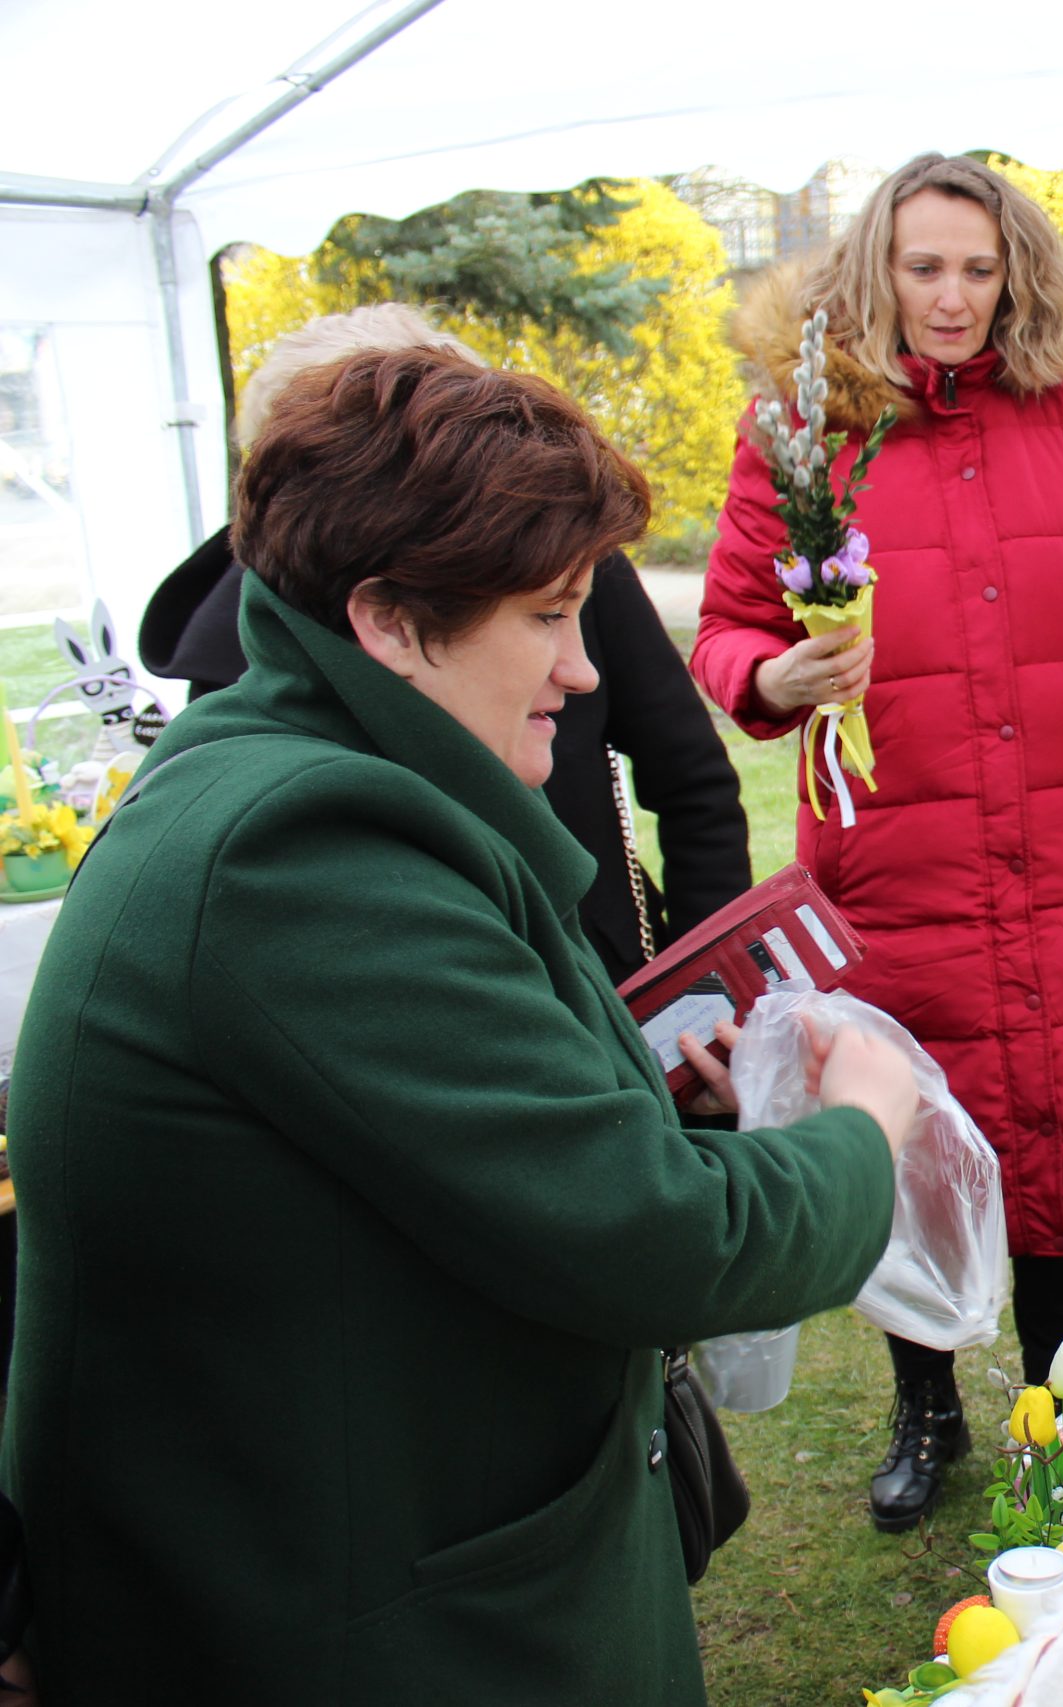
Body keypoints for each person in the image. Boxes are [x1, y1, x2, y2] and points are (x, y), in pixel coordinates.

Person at [0, 347, 920, 1703]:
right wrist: (867, 1125)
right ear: (387, 618)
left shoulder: (305, 778)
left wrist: (654, 1096)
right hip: (343, 1619)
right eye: (546, 614)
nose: (583, 666)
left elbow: (377, 1150)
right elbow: (665, 1238)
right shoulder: (305, 852)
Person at [691, 153, 1063, 1530]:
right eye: (924, 267)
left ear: (1013, 272)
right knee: (914, 1133)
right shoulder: (806, 431)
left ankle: (1060, 1399)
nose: (952, 297)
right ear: (875, 273)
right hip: (900, 859)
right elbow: (729, 624)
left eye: (977, 267)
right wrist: (763, 681)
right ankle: (927, 1403)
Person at [139, 303, 751, 985]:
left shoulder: (559, 558)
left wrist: (706, 984)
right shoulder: (273, 802)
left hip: (601, 960)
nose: (576, 671)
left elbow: (691, 776)